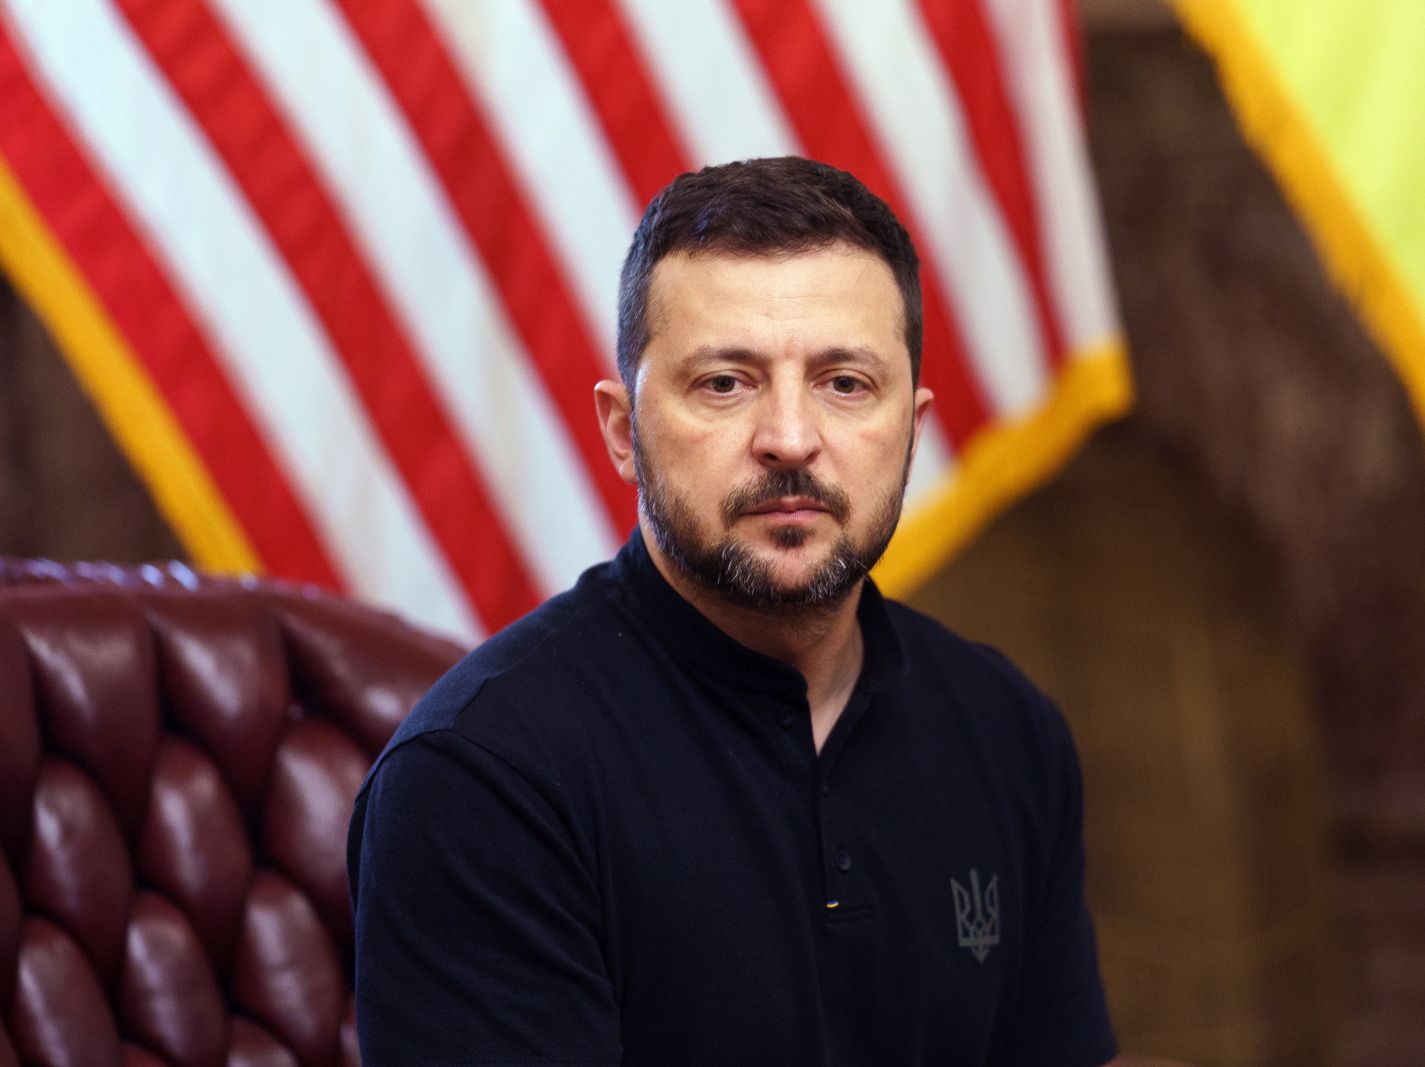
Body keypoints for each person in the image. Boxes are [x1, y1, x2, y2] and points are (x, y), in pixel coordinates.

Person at [349, 156, 1117, 1066]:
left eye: (844, 383)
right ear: (622, 431)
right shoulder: (481, 779)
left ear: (912, 428)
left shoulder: (1007, 732)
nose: (790, 438)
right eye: (725, 383)